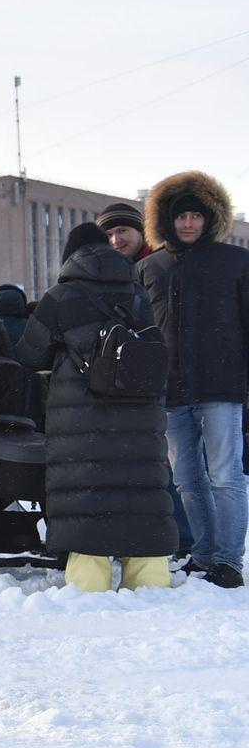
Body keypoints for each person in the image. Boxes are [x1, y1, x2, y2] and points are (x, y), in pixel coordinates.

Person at [14, 222, 176, 591]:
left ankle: (89, 584)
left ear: (71, 256)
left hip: (81, 419)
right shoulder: (137, 293)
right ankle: (150, 580)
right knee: (141, 492)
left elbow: (27, 354)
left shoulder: (61, 296)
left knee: (86, 495)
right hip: (139, 415)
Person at [137, 170, 249, 589]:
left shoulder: (236, 261)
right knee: (187, 480)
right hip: (170, 392)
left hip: (223, 388)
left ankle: (229, 560)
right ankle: (203, 555)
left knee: (225, 476)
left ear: (210, 219)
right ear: (166, 220)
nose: (188, 223)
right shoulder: (150, 268)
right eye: (180, 216)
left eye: (196, 216)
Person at [102, 198, 196, 564]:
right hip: (125, 381)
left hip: (163, 381)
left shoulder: (156, 266)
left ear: (140, 231)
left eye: (122, 230)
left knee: (166, 466)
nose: (115, 239)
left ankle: (184, 538)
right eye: (108, 233)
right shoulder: (108, 271)